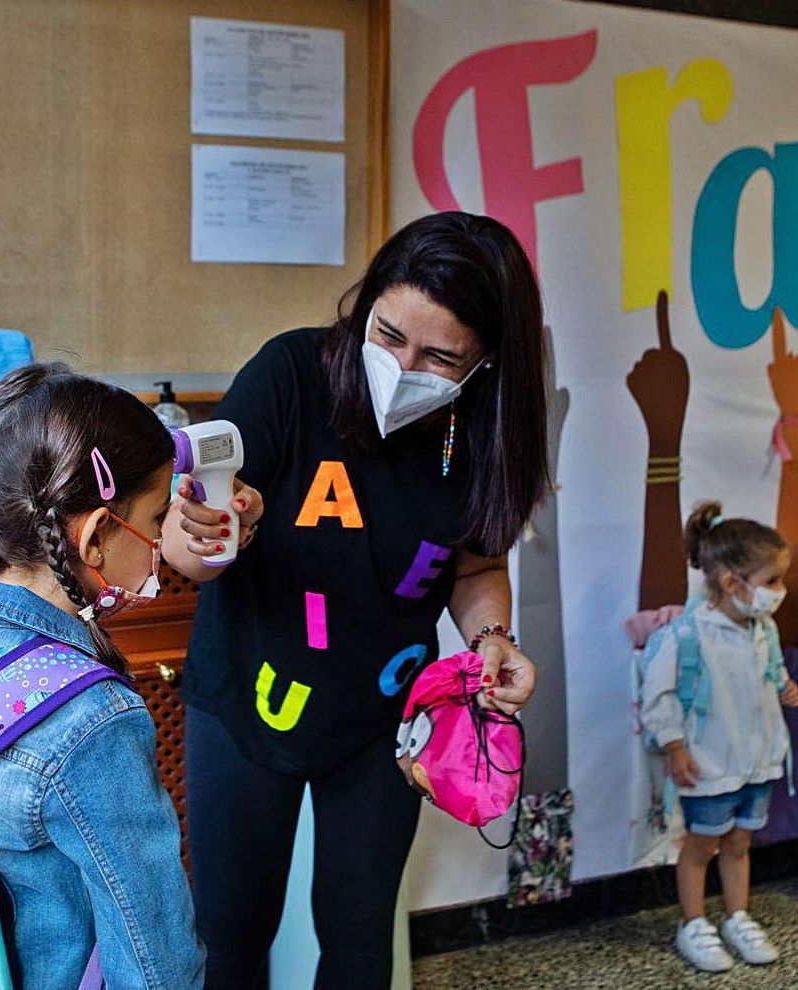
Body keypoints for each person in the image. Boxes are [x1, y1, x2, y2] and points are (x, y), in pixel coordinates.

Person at [163, 211, 547, 989]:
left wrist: (492, 637)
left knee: (360, 936)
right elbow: (189, 543)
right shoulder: (290, 376)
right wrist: (208, 531)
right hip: (248, 699)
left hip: (381, 717)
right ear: (366, 303)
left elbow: (474, 571)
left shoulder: (481, 431)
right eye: (388, 335)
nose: (404, 367)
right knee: (230, 936)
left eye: (441, 357)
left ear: (487, 365)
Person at [0, 363, 206, 987]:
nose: (162, 542)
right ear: (99, 536)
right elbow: (154, 958)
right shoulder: (91, 722)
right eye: (158, 519)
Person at [641, 500, 798, 973]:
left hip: (758, 761)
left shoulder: (762, 629)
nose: (780, 590)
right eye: (771, 580)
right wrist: (674, 747)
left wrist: (784, 685)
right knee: (700, 847)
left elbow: (766, 676)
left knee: (739, 844)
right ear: (732, 583)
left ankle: (737, 917)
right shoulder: (686, 636)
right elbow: (658, 696)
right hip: (709, 765)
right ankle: (693, 924)